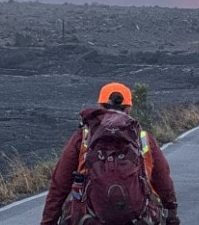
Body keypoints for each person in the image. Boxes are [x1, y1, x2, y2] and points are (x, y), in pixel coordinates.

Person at [40, 82, 180, 225]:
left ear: (100, 106)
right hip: (137, 218)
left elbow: (59, 184)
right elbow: (163, 179)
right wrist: (171, 212)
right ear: (129, 108)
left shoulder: (83, 136)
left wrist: (48, 221)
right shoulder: (142, 137)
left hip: (89, 219)